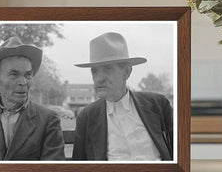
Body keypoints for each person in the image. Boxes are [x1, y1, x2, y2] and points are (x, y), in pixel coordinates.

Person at [72, 32, 173, 161]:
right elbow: (79, 167)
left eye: (107, 69)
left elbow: (180, 152)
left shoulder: (158, 104)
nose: (98, 79)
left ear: (126, 72)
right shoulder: (86, 116)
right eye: (94, 71)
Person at [0, 36, 65, 161]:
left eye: (28, 75)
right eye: (14, 74)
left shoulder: (48, 120)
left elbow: (52, 171)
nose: (23, 82)